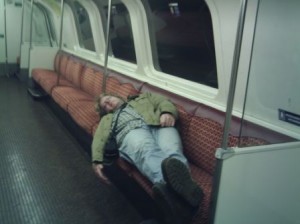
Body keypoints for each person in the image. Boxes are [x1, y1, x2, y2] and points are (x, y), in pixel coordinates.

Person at [92, 92, 203, 223]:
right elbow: (99, 139)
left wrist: (167, 112)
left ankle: (180, 206)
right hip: (130, 131)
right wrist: (96, 160)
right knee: (145, 148)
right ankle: (189, 196)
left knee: (171, 150)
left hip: (158, 124)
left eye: (109, 99)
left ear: (117, 96)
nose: (109, 103)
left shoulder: (144, 97)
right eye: (105, 106)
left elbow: (163, 101)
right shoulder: (107, 119)